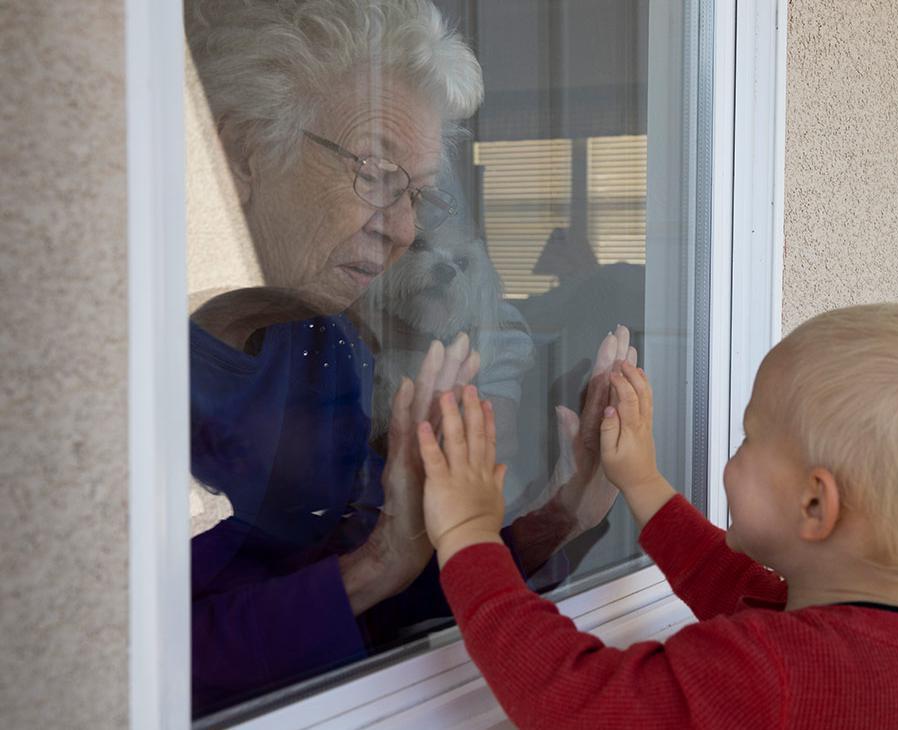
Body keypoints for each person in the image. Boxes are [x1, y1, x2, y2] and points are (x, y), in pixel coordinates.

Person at [185, 0, 619, 714]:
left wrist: (563, 515)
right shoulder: (119, 371)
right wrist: (374, 567)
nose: (405, 228)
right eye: (376, 174)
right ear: (243, 153)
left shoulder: (332, 347)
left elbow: (384, 600)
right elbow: (120, 663)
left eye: (416, 194)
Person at [417, 303, 898, 729]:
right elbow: (735, 585)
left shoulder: (770, 676)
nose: (730, 455)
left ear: (815, 505)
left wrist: (471, 538)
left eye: (748, 440)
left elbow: (577, 703)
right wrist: (641, 480)